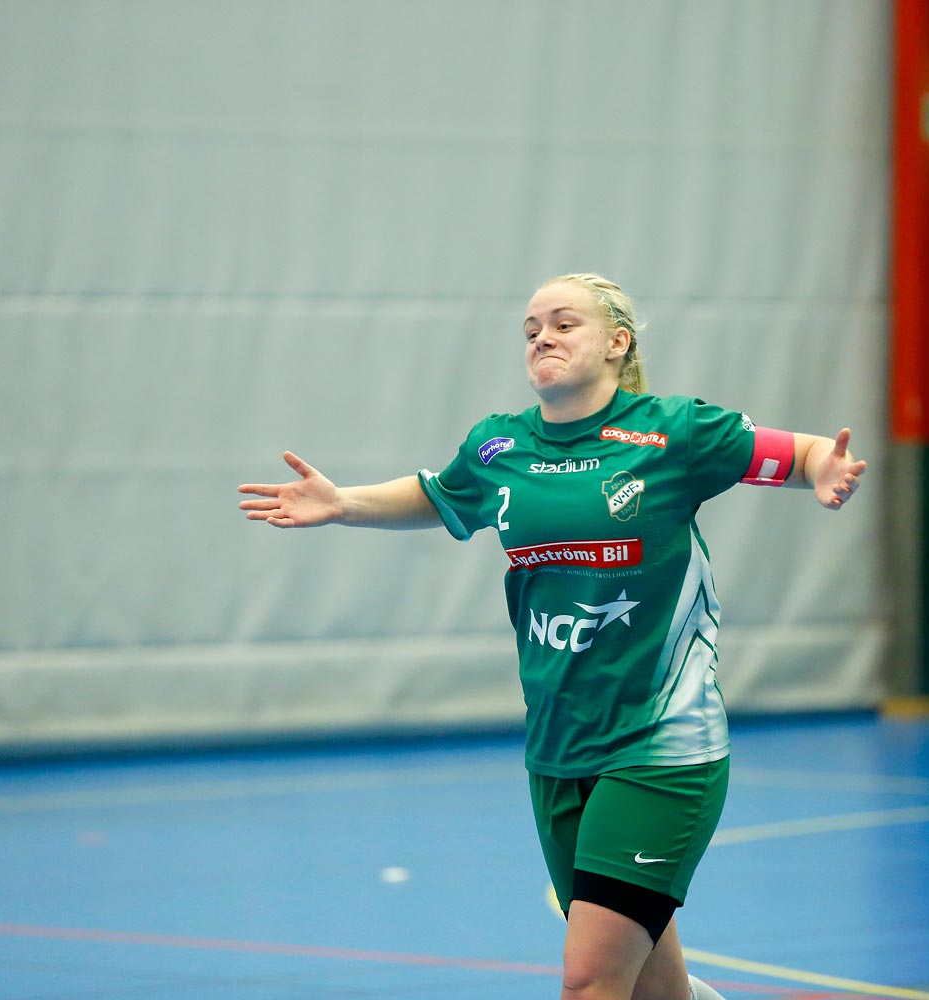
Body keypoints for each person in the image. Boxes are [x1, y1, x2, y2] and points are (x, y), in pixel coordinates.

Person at [238, 273, 866, 1000]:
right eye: (532, 328)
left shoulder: (673, 432)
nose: (543, 337)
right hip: (558, 745)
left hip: (659, 746)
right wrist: (344, 502)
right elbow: (442, 494)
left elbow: (797, 453)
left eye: (564, 324)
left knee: (590, 980)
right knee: (652, 990)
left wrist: (826, 468)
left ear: (616, 342)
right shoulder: (499, 444)